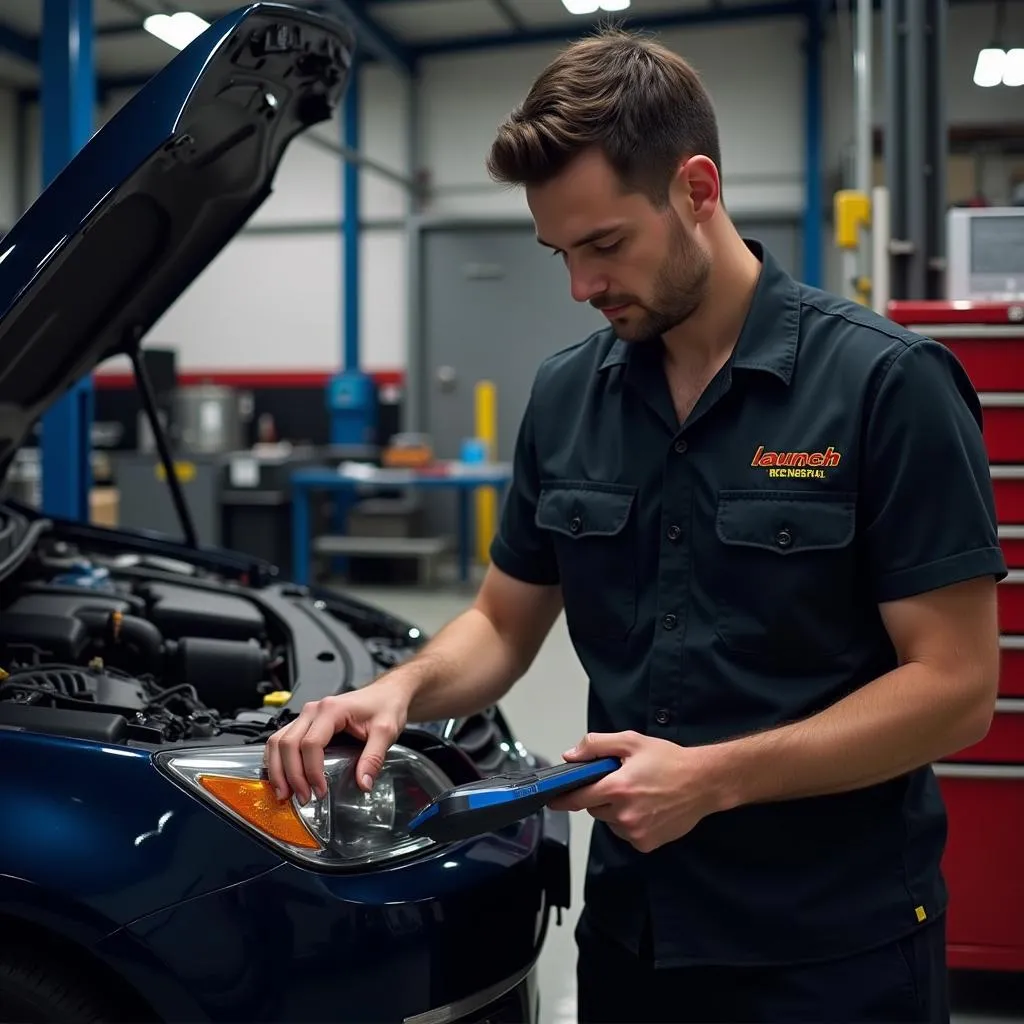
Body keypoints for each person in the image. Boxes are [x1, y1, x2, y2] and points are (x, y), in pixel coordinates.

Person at [265, 27, 1006, 1023]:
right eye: (560, 252)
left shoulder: (883, 385)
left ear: (696, 188)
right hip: (633, 936)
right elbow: (500, 621)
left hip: (831, 949)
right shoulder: (569, 395)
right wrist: (395, 691)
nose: (580, 286)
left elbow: (956, 689)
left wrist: (714, 779)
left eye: (605, 244)